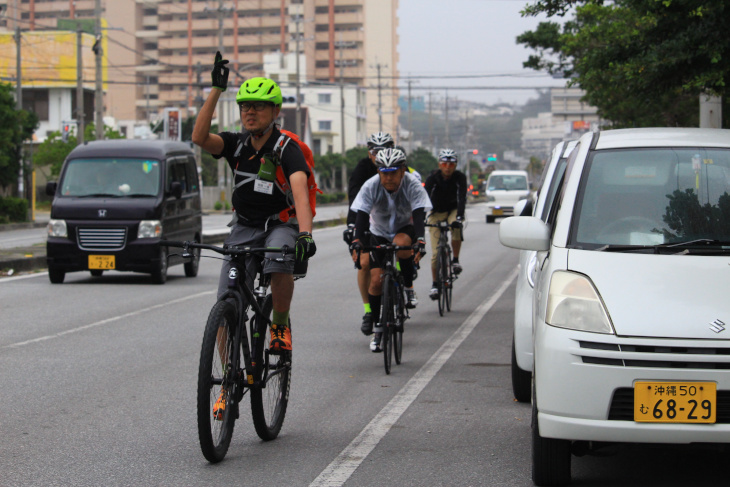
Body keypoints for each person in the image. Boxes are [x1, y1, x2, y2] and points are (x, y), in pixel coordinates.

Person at [192, 52, 316, 358]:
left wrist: (304, 233)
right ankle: (224, 388)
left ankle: (280, 325)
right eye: (245, 106)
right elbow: (199, 137)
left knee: (279, 259)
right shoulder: (236, 143)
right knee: (225, 302)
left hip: (279, 224)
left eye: (258, 106)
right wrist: (216, 91)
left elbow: (300, 191)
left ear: (275, 111)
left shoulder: (287, 149)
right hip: (244, 226)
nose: (250, 112)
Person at [349, 148, 432, 352]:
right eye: (384, 173)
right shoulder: (371, 186)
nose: (388, 178)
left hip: (405, 226)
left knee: (402, 245)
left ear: (402, 171)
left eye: (393, 172)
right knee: (376, 282)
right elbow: (361, 214)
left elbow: (419, 213)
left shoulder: (412, 184)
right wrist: (358, 240)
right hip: (378, 231)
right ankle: (378, 327)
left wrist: (420, 239)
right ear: (378, 172)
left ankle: (408, 287)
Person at [343, 132, 395, 335]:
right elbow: (355, 201)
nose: (378, 155)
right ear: (369, 153)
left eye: (383, 151)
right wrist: (352, 226)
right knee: (364, 263)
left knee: (401, 247)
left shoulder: (399, 166)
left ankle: (402, 280)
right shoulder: (362, 169)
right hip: (366, 218)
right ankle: (368, 311)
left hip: (392, 218)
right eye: (375, 151)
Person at [424, 148, 466, 300]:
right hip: (436, 213)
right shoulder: (432, 178)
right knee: (435, 254)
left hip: (453, 210)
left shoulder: (460, 177)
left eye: (451, 164)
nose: (447, 167)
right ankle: (435, 284)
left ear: (455, 165)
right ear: (439, 164)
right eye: (444, 164)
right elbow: (424, 197)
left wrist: (460, 217)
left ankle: (455, 260)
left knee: (456, 227)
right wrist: (422, 217)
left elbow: (462, 197)